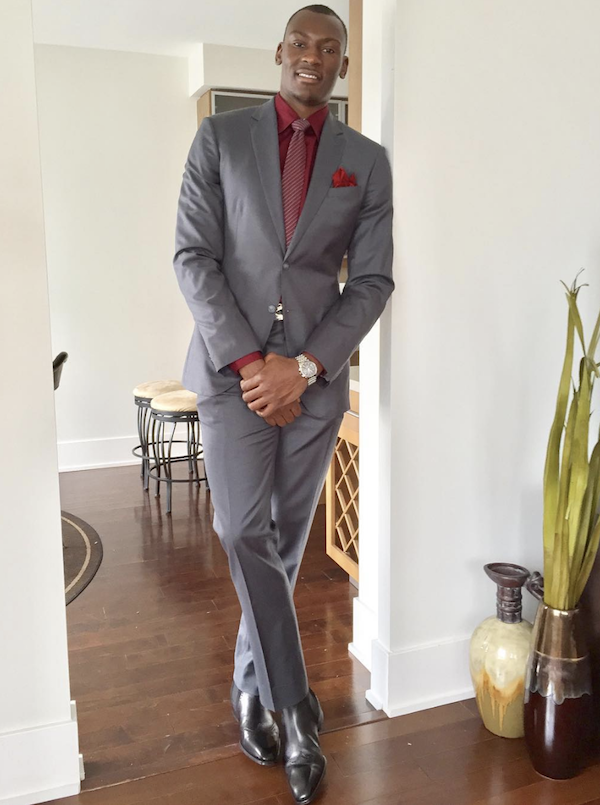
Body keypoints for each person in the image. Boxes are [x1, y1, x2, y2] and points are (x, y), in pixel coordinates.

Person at [174, 5, 394, 802]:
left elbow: (371, 281)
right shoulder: (219, 139)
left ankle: (248, 685)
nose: (313, 56)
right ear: (280, 51)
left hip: (313, 381)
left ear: (341, 66)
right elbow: (193, 257)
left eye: (329, 48)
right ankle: (296, 707)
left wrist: (302, 366)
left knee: (283, 542)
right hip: (232, 375)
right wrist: (249, 363)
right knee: (242, 529)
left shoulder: (364, 162)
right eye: (301, 42)